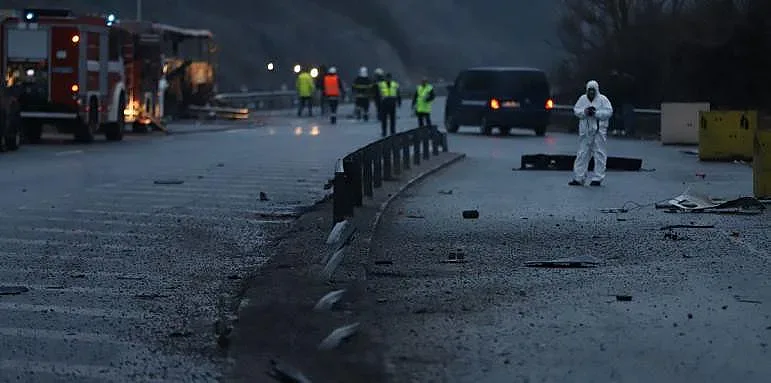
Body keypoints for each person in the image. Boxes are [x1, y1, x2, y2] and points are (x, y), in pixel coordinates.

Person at [569, 80, 613, 186]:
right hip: (586, 132)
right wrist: (585, 112)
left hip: (598, 132)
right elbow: (576, 110)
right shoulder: (582, 99)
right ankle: (579, 178)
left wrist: (596, 113)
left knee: (599, 154)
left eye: (593, 91)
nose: (591, 93)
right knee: (582, 154)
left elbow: (609, 112)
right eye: (590, 90)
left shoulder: (603, 100)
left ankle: (597, 178)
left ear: (596, 90)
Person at [377, 72, 401, 136]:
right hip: (384, 103)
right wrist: (379, 104)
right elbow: (378, 94)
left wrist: (399, 102)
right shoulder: (381, 84)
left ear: (391, 78)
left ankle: (392, 132)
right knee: (384, 119)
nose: (388, 79)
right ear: (385, 78)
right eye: (387, 78)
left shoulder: (395, 84)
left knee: (392, 119)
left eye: (389, 78)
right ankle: (384, 132)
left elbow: (398, 93)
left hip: (392, 103)